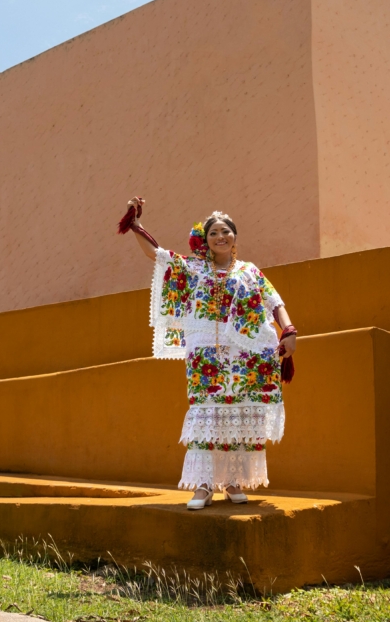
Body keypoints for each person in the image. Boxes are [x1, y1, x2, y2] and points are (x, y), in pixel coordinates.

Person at [120, 198, 296, 510]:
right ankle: (203, 486)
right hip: (206, 357)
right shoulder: (194, 268)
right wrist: (136, 225)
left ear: (234, 237)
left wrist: (289, 331)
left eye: (226, 231)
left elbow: (274, 301)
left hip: (247, 354)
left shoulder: (249, 271)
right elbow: (156, 255)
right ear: (206, 240)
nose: (220, 236)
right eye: (214, 232)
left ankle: (231, 482)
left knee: (238, 415)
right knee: (207, 414)